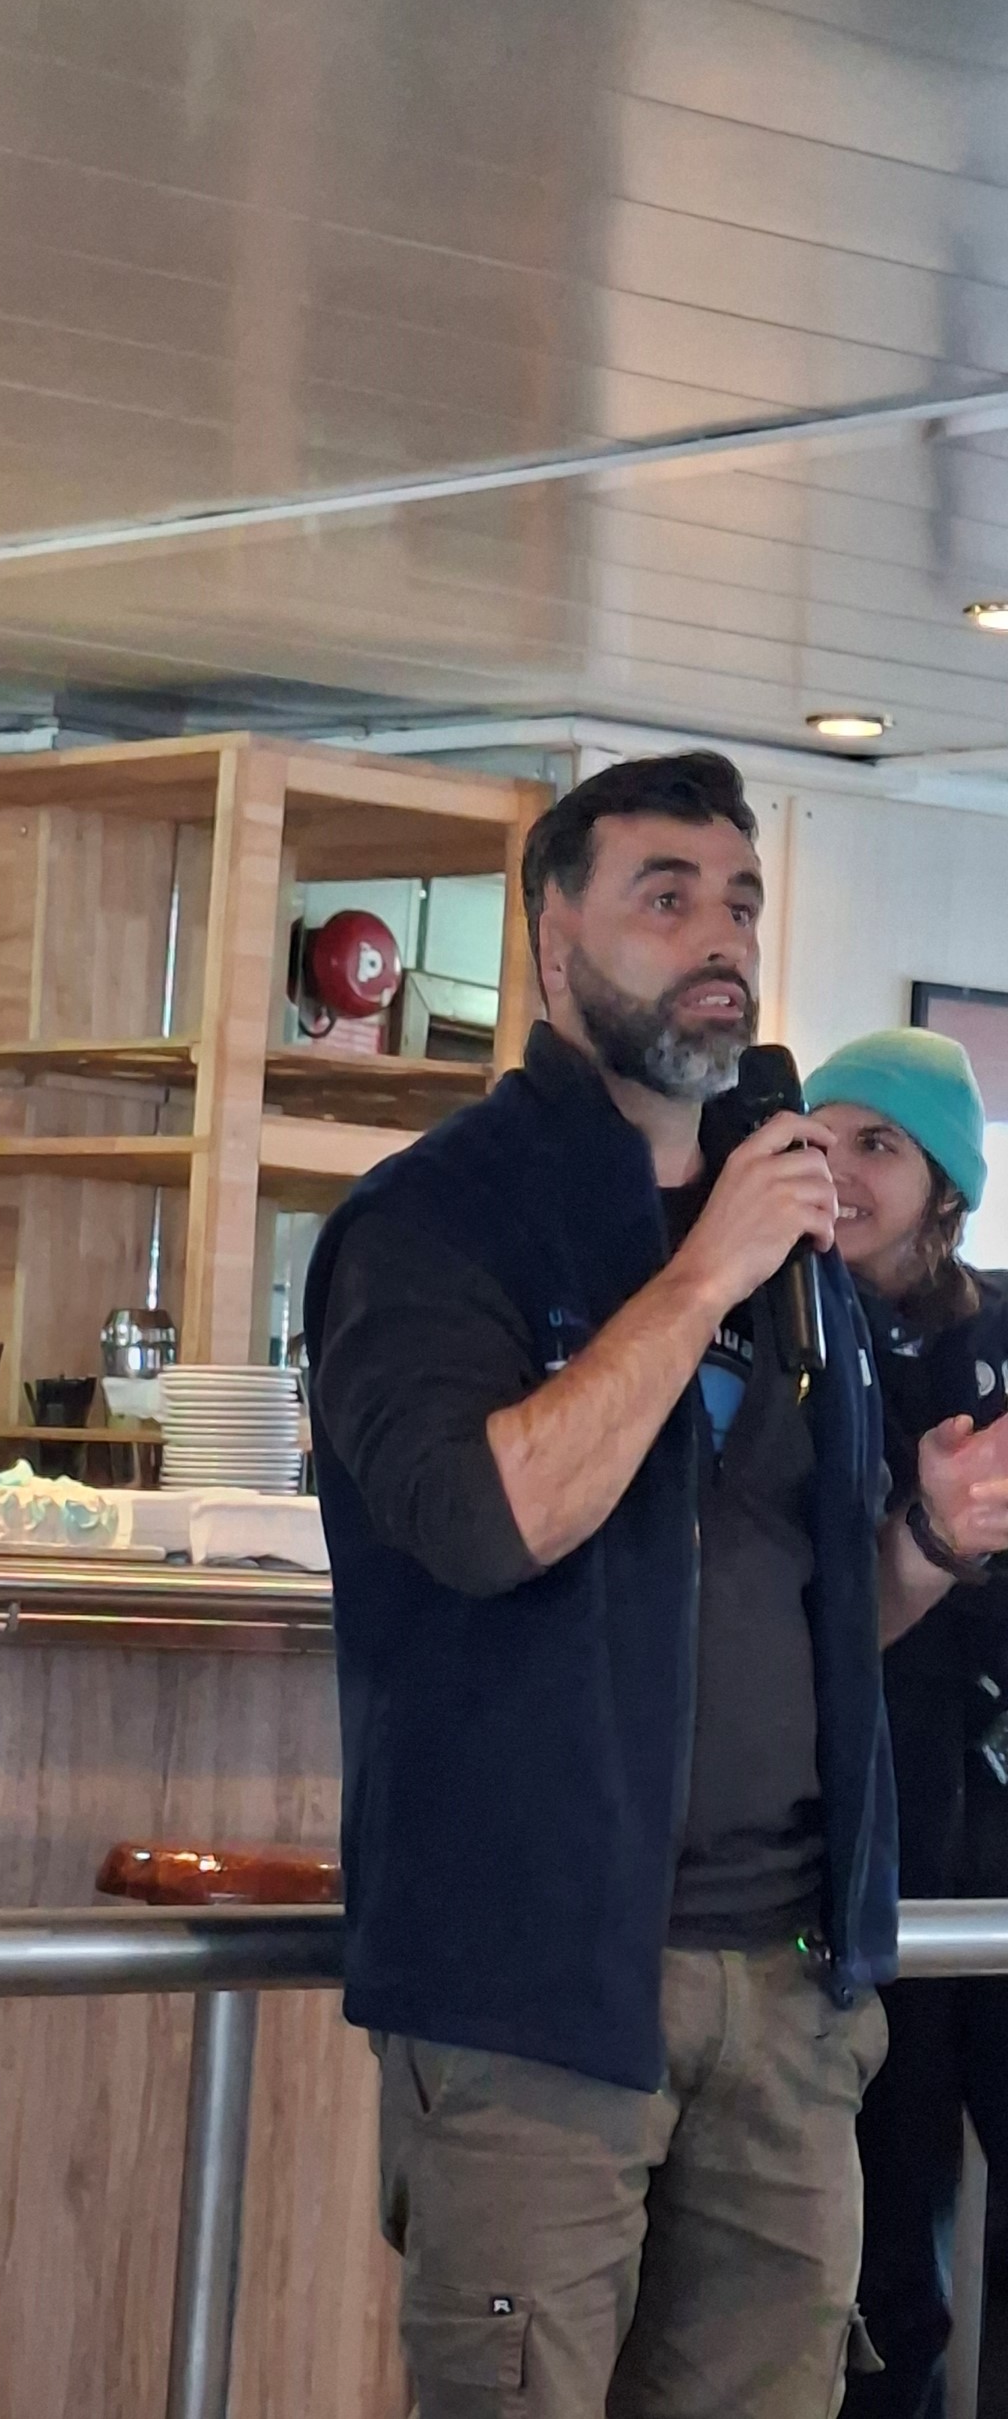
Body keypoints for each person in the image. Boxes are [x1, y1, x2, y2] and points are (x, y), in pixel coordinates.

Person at [305, 750, 1008, 2419]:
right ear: (556, 944)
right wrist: (700, 1278)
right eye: (666, 898)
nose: (720, 939)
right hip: (541, 1995)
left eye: (741, 904)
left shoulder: (795, 1242)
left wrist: (925, 1540)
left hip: (791, 1995)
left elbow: (815, 1620)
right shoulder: (435, 1225)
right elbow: (489, 1522)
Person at [805, 1031, 1008, 2417]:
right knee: (870, 2229)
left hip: (973, 1826)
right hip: (843, 1835)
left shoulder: (997, 1341)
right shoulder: (772, 1327)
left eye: (879, 1143)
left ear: (947, 1188)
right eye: (819, 1137)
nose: (839, 1167)